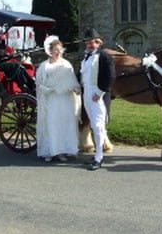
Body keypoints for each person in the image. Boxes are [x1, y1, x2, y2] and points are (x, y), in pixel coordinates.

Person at [35, 36, 81, 163]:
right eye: (56, 50)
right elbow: (39, 83)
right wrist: (47, 90)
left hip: (65, 99)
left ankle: (62, 150)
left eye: (60, 50)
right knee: (51, 123)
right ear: (50, 51)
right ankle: (50, 150)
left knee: (64, 124)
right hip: (51, 99)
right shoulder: (44, 66)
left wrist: (75, 89)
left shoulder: (66, 65)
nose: (58, 52)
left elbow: (72, 81)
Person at [80, 28, 115, 171]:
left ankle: (99, 158)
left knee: (98, 126)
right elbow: (82, 75)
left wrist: (100, 92)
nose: (90, 44)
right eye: (87, 41)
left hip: (97, 95)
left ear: (98, 42)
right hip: (87, 93)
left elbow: (111, 77)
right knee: (93, 125)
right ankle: (96, 155)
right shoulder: (86, 57)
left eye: (93, 41)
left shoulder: (104, 56)